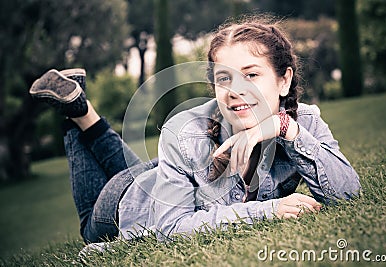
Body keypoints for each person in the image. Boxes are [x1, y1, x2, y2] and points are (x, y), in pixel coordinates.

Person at [29, 16, 361, 244]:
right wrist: (267, 209)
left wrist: (284, 127)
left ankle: (78, 106)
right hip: (126, 201)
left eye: (252, 74)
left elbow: (348, 192)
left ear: (284, 79)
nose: (236, 90)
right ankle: (74, 112)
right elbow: (171, 227)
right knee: (89, 228)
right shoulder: (185, 130)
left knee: (144, 172)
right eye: (224, 78)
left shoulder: (305, 120)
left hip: (160, 177)